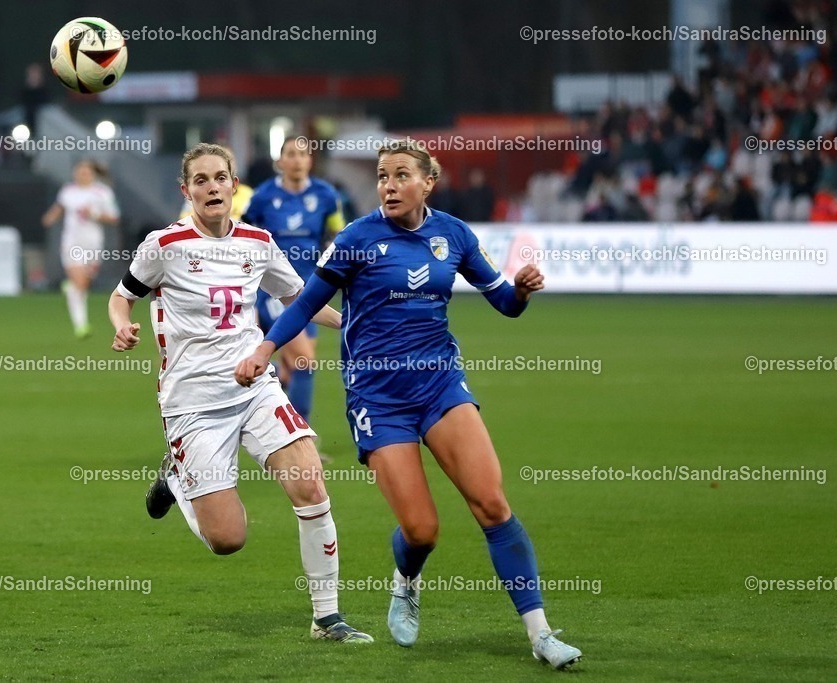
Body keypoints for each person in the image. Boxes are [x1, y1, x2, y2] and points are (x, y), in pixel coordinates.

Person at [235, 140, 582, 668]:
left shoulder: (454, 234)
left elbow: (506, 305)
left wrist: (523, 290)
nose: (389, 186)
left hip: (440, 385)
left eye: (400, 176)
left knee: (491, 503)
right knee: (422, 530)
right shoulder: (356, 238)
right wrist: (265, 348)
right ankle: (406, 580)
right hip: (378, 397)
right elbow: (306, 301)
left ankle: (540, 634)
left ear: (428, 182)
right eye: (381, 177)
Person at [109, 142, 372, 644]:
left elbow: (298, 299)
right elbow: (122, 297)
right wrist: (122, 326)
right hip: (193, 404)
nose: (212, 187)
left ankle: (327, 618)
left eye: (220, 178)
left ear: (234, 185)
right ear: (186, 191)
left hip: (255, 387)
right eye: (201, 180)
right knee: (228, 539)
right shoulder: (164, 245)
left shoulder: (257, 241)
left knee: (311, 485)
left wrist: (354, 325)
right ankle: (178, 481)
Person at [242, 136, 345, 424]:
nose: (298, 159)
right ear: (280, 161)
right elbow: (244, 234)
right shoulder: (263, 196)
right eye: (291, 154)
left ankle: (257, 371)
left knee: (290, 369)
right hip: (274, 288)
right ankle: (301, 434)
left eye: (303, 154)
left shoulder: (326, 195)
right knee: (305, 361)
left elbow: (337, 235)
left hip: (311, 288)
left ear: (310, 160)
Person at [42, 159, 120, 338]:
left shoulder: (102, 192)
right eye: (79, 171)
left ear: (93, 173)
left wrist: (93, 214)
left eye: (86, 171)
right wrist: (50, 217)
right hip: (72, 243)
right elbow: (60, 206)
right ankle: (81, 325)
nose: (82, 174)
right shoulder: (68, 191)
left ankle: (70, 289)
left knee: (82, 285)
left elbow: (114, 217)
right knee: (79, 282)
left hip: (93, 244)